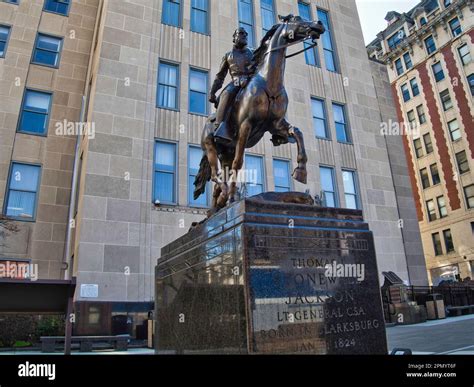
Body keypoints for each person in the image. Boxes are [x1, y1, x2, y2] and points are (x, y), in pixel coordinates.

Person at [209, 27, 254, 143]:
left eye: (246, 34)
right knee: (227, 94)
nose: (244, 35)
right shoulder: (228, 56)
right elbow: (220, 76)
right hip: (236, 83)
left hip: (251, 82)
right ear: (234, 38)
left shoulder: (253, 53)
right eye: (241, 33)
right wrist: (212, 92)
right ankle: (220, 128)